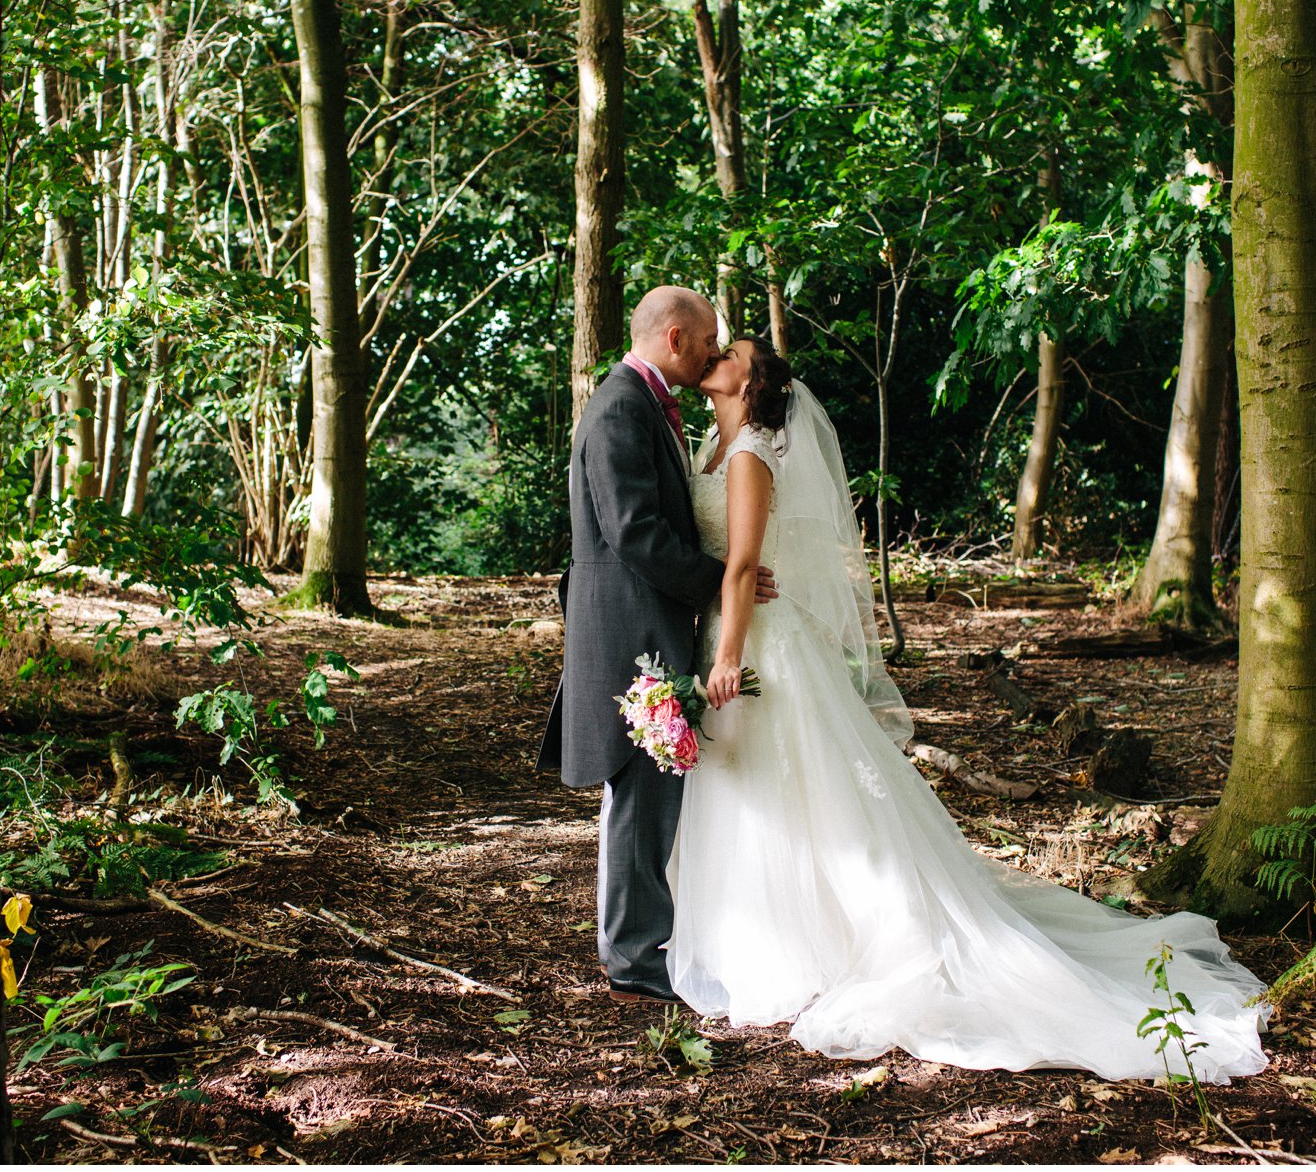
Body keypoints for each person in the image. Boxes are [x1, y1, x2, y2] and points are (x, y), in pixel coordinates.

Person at [666, 336, 1270, 1081]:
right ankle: (760, 936)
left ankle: (834, 941)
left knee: (792, 785)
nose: (717, 354)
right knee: (753, 786)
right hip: (729, 635)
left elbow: (743, 566)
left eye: (732, 352)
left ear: (750, 384)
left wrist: (727, 657)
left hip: (760, 647)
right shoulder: (707, 447)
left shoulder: (752, 451)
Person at [538, 287, 776, 1004]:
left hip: (647, 627)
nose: (711, 354)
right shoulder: (620, 406)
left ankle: (642, 946)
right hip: (631, 631)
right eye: (707, 342)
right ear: (676, 338)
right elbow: (635, 529)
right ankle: (636, 962)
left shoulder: (644, 402)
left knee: (650, 799)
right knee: (639, 799)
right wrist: (720, 580)